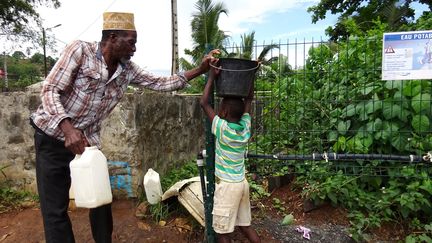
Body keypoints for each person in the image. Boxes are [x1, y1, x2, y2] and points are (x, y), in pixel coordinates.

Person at [30, 12, 219, 243]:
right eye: (131, 42)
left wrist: (200, 69)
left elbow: (160, 83)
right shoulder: (80, 51)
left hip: (87, 145)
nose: (135, 48)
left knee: (100, 201)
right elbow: (50, 89)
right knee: (55, 209)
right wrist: (67, 129)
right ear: (112, 37)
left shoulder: (127, 70)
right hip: (51, 137)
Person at [200, 61, 260, 243]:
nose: (218, 111)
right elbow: (248, 99)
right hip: (242, 184)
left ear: (224, 112)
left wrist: (211, 76)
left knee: (221, 232)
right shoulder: (244, 127)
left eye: (220, 108)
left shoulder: (223, 128)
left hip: (227, 187)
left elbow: (203, 103)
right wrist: (251, 75)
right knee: (244, 226)